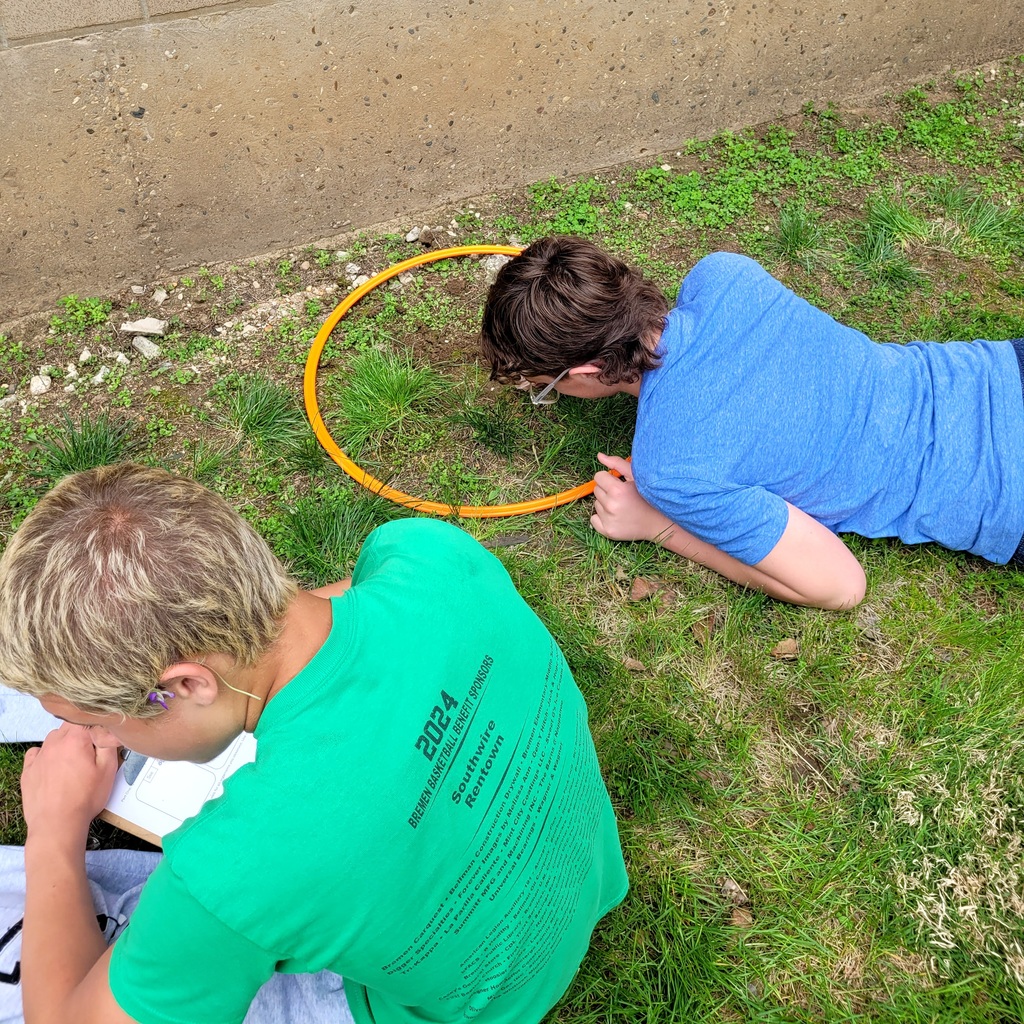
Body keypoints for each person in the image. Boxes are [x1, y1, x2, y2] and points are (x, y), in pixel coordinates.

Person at [0, 463, 627, 1024]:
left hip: (477, 1005)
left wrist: (54, 833)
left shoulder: (232, 872)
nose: (105, 737)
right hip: (585, 882)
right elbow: (345, 602)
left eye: (105, 719)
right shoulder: (427, 553)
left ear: (187, 684)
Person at [481, 235, 1024, 610]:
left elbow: (840, 585)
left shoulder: (671, 466)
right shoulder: (724, 274)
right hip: (1004, 369)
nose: (551, 396)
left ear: (585, 370)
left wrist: (657, 525)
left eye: (546, 388)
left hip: (1006, 491)